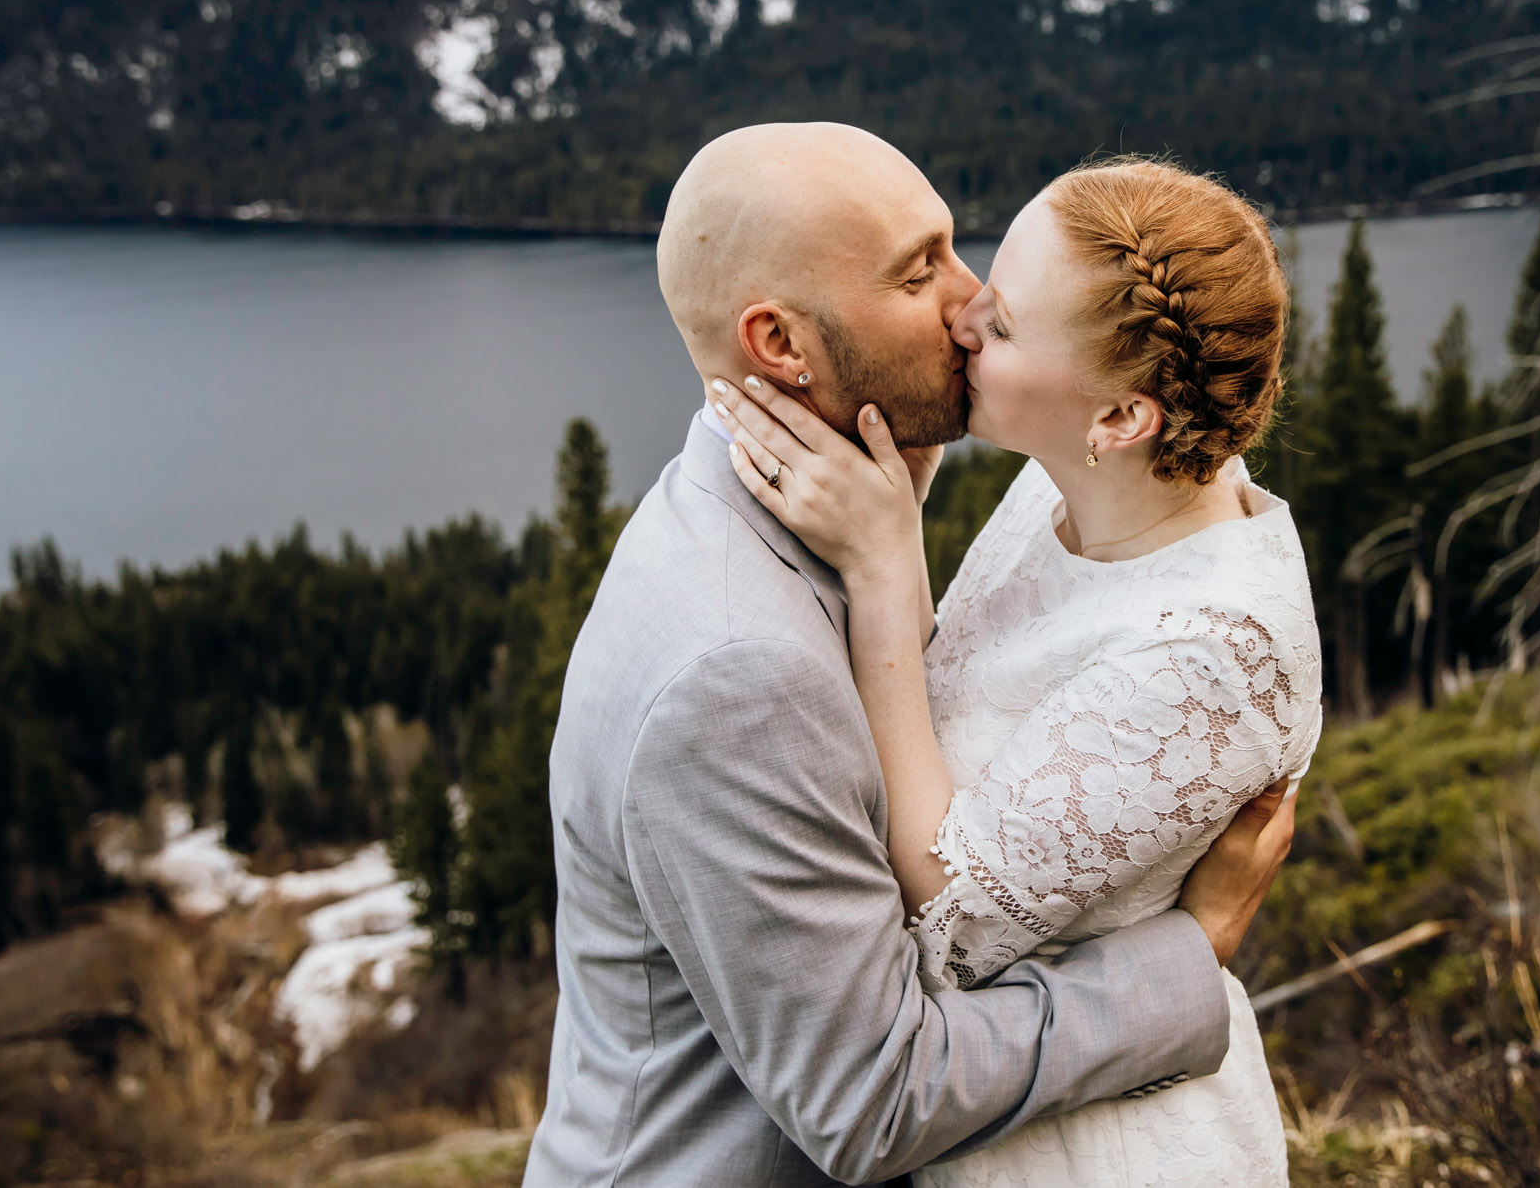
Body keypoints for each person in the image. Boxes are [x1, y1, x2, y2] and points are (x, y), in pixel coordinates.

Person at [524, 124, 1302, 1188]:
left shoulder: (765, 513)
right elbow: (873, 1096)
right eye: (916, 270)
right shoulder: (734, 668)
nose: (969, 298)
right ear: (781, 346)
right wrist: (1187, 953)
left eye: (951, 245)